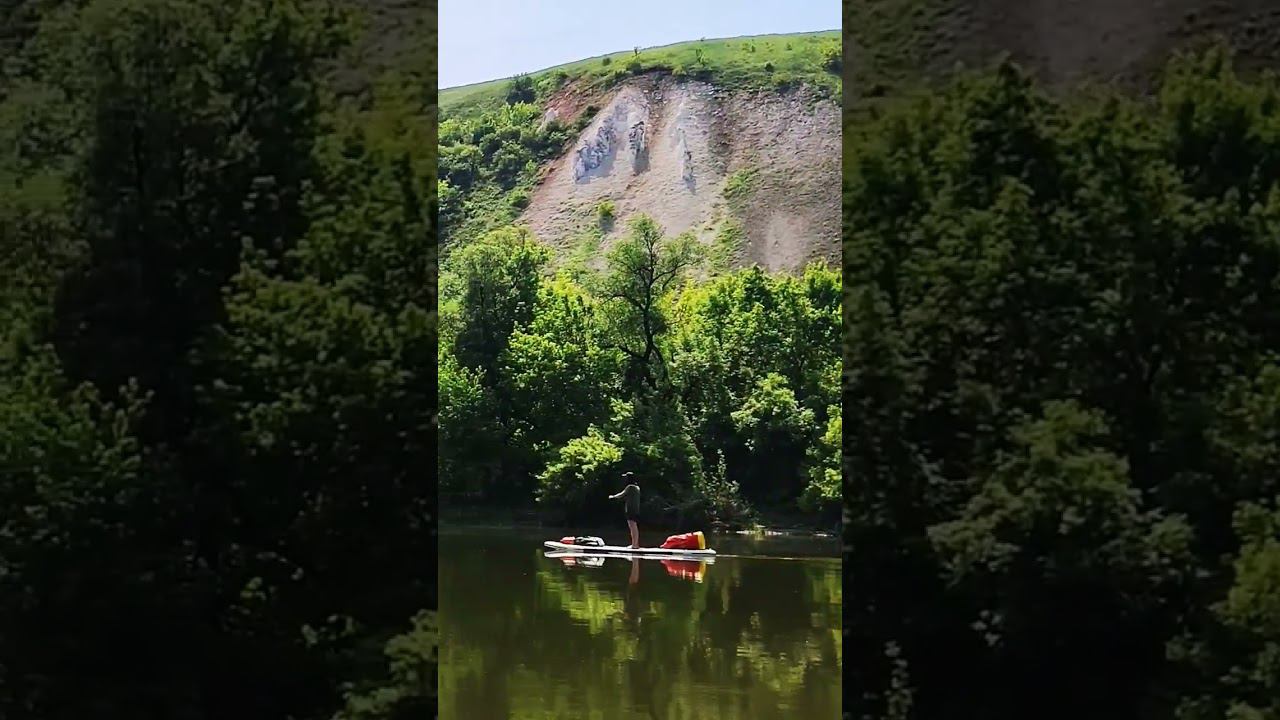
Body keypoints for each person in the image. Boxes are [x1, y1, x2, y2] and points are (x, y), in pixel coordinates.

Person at [608, 473, 641, 548]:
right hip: (636, 510)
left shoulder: (630, 487)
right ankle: (635, 544)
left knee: (632, 527)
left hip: (631, 510)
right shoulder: (637, 487)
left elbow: (621, 494)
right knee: (634, 526)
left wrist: (613, 496)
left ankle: (634, 545)